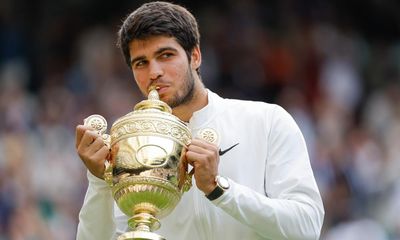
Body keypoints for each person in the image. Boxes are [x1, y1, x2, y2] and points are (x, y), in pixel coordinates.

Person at [75, 1, 324, 239]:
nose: (154, 72)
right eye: (141, 63)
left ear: (195, 56)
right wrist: (99, 181)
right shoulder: (125, 146)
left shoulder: (266, 121)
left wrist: (219, 190)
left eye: (166, 55)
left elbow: (306, 226)